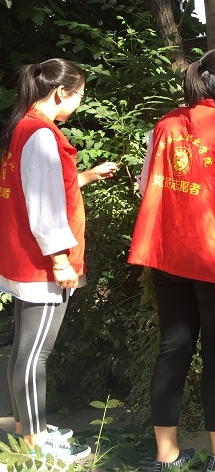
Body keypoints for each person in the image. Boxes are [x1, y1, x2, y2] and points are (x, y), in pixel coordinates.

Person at [128, 48, 215, 472]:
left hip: (169, 254)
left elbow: (145, 186)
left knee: (173, 349)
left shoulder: (164, 125)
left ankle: (166, 455)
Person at [0, 58, 119, 462]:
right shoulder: (40, 134)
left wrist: (86, 176)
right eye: (79, 95)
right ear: (60, 92)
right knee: (35, 354)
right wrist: (60, 260)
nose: (80, 102)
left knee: (25, 350)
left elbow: (42, 186)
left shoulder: (22, 127)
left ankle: (27, 430)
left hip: (23, 257)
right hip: (41, 264)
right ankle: (36, 448)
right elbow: (44, 207)